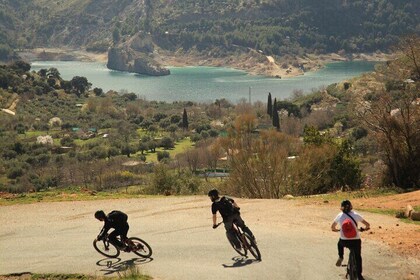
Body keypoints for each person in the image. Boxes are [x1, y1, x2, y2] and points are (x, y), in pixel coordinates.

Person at [331, 200, 370, 280]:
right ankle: (359, 275)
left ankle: (341, 256)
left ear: (341, 208)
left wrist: (337, 230)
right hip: (355, 240)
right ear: (351, 207)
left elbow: (332, 227)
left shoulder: (340, 215)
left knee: (339, 244)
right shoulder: (356, 215)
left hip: (344, 240)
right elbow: (367, 224)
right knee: (358, 257)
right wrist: (364, 229)